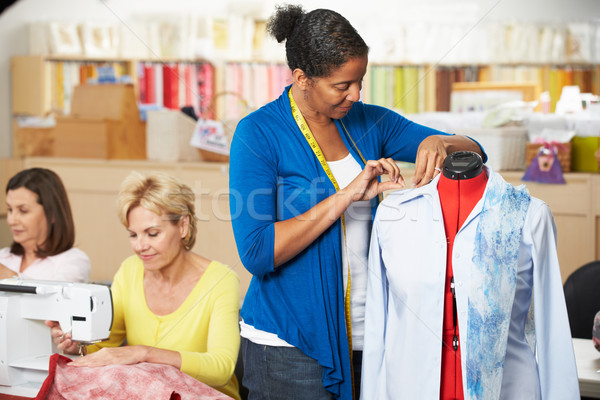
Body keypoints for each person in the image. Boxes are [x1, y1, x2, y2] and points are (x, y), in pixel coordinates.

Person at [229, 5, 486, 399]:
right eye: (342, 85)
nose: (356, 94)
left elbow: (475, 151)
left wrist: (443, 142)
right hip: (288, 347)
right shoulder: (258, 133)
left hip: (371, 334)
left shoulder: (369, 122)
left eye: (360, 81)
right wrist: (348, 194)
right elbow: (258, 252)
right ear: (302, 79)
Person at [47, 171, 241, 400]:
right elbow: (105, 346)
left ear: (183, 226)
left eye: (152, 233)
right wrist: (77, 343)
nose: (140, 246)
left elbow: (221, 368)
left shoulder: (221, 280)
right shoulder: (130, 271)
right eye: (133, 235)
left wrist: (143, 353)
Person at [0, 167, 90, 282]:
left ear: (52, 214)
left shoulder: (74, 261)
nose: (12, 220)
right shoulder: (3, 256)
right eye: (10, 209)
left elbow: (55, 296)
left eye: (23, 211)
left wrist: (10, 277)